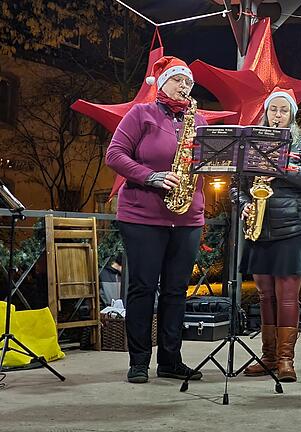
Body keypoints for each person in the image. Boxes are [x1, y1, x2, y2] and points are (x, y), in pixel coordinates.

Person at [106, 56, 207, 384]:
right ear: (162, 83)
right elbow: (115, 154)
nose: (185, 86)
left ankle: (170, 360)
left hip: (187, 216)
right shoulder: (141, 114)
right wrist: (151, 176)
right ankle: (138, 361)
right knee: (143, 287)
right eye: (179, 80)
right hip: (142, 215)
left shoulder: (199, 121)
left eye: (189, 82)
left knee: (177, 290)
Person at [232, 87, 301, 383]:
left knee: (287, 297)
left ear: (292, 115)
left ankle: (286, 359)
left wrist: (286, 168)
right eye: (273, 110)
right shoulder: (253, 143)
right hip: (259, 227)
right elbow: (237, 185)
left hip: (295, 228)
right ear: (266, 113)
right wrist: (245, 204)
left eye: (284, 110)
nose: (278, 115)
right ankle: (269, 356)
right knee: (264, 295)